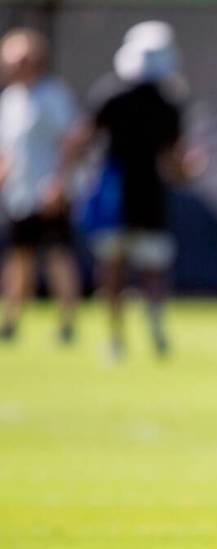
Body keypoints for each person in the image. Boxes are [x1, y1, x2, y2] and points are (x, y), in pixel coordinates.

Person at [52, 21, 194, 360]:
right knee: (134, 267)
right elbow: (176, 162)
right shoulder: (139, 98)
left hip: (128, 192)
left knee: (126, 266)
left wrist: (65, 176)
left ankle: (128, 335)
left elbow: (80, 141)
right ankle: (134, 332)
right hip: (124, 192)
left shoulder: (159, 100)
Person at [0, 28, 79, 344]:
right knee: (19, 257)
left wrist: (59, 181)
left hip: (48, 191)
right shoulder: (10, 99)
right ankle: (11, 321)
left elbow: (70, 142)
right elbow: (8, 148)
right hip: (19, 192)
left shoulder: (53, 95)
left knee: (57, 256)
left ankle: (67, 324)